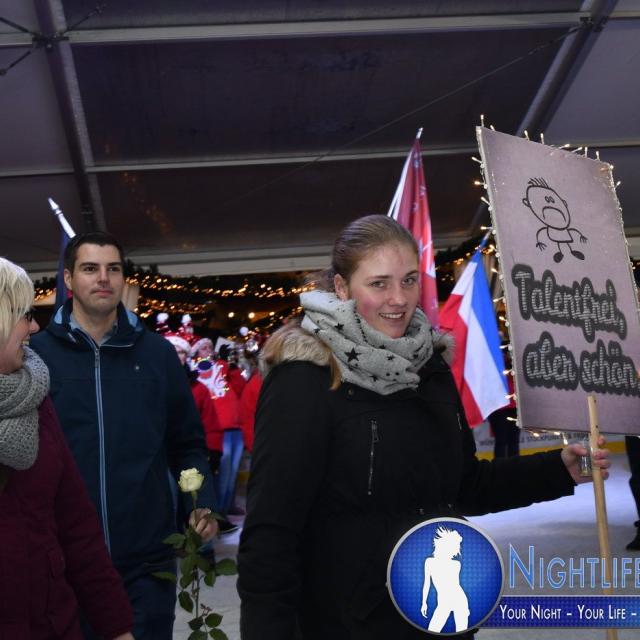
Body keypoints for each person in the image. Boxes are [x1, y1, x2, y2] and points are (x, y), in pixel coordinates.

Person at [237, 214, 610, 640]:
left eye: (409, 280)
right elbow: (271, 531)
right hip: (348, 624)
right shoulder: (307, 378)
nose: (398, 298)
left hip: (436, 623)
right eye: (379, 283)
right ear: (341, 287)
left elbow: (464, 485)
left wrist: (558, 469)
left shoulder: (430, 368)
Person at [31, 232, 218, 640]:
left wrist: (200, 501)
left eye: (113, 269)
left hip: (146, 562)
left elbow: (186, 444)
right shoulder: (38, 356)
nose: (104, 278)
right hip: (66, 563)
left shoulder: (156, 355)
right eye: (90, 268)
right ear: (68, 278)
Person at [0, 256, 134, 640]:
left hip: (51, 624)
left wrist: (117, 628)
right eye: (24, 314)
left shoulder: (34, 396)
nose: (34, 326)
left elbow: (76, 526)